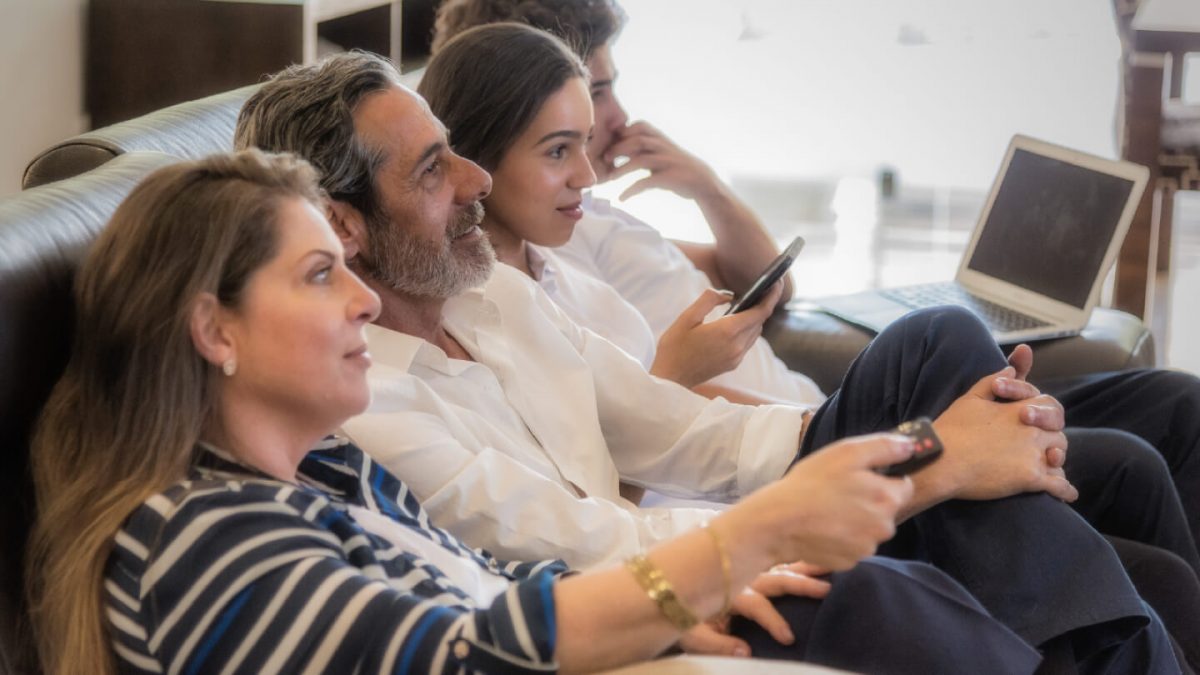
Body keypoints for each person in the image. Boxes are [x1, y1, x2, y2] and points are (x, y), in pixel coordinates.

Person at [235, 47, 1180, 671]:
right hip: (661, 584)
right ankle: (1115, 651)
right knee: (1128, 543)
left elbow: (679, 427)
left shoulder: (489, 294)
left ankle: (1104, 641)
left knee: (942, 347)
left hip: (724, 516)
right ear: (346, 230)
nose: (475, 181)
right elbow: (579, 540)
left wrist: (881, 433)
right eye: (436, 169)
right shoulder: (364, 400)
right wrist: (924, 466)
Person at [26, 149, 1074, 674]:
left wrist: (692, 602)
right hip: (602, 613)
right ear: (214, 329)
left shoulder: (333, 473)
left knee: (968, 482)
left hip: (627, 598)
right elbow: (463, 652)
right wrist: (753, 540)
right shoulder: (195, 541)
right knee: (879, 589)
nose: (359, 299)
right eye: (316, 276)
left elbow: (498, 580)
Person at [429, 0, 1200, 562]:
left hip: (810, 423)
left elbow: (761, 281)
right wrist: (909, 442)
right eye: (577, 118)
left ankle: (1027, 520)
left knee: (1173, 402)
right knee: (961, 348)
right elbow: (619, 459)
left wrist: (705, 184)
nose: (610, 125)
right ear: (488, 146)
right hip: (784, 461)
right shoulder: (501, 297)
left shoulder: (573, 241)